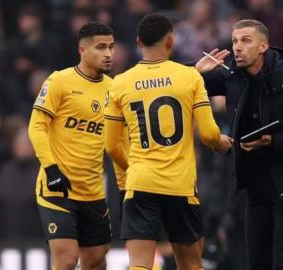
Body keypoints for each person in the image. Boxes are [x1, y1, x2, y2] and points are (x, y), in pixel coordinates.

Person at [104, 13, 232, 270]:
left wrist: (133, 169)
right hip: (180, 185)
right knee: (191, 264)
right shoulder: (189, 77)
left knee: (139, 265)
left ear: (138, 41)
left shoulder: (119, 83)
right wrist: (221, 143)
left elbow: (111, 145)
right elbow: (207, 134)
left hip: (141, 183)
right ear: (171, 41)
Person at [196, 19, 283, 269]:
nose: (237, 47)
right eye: (234, 41)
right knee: (256, 263)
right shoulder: (232, 76)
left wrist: (273, 140)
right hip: (255, 184)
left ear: (263, 46)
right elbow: (186, 84)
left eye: (245, 40)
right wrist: (195, 72)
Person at [28, 22, 115, 270]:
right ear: (82, 50)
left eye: (111, 47)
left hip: (94, 191)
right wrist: (51, 168)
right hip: (58, 189)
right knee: (66, 260)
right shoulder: (59, 81)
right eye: (100, 47)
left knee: (96, 261)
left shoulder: (114, 89)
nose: (108, 53)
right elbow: (36, 126)